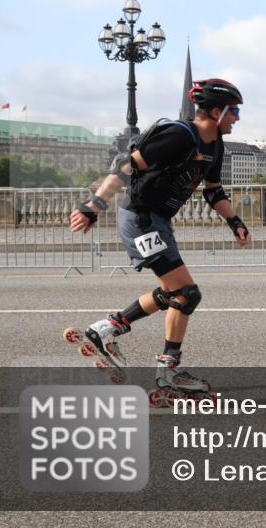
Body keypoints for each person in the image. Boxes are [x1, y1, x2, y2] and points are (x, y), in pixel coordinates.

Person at [68, 78, 251, 400]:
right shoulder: (180, 135)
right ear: (216, 111)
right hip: (140, 219)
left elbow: (213, 191)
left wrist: (234, 220)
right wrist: (94, 205)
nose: (237, 117)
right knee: (186, 293)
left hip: (158, 220)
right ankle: (169, 371)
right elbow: (125, 166)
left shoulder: (215, 145)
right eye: (234, 111)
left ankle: (106, 329)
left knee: (174, 292)